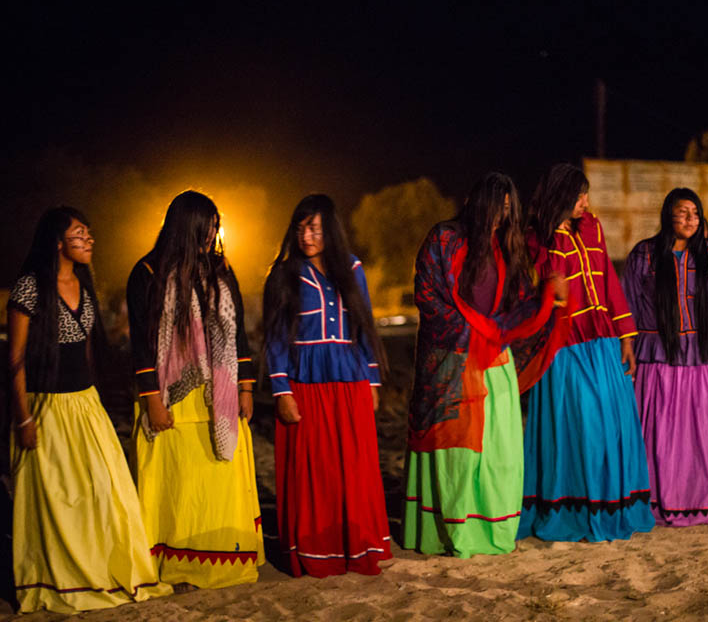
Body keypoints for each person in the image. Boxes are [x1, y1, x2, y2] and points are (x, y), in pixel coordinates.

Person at [8, 207, 170, 613]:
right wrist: (24, 417)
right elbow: (16, 358)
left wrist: (98, 397)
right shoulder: (30, 288)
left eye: (89, 233)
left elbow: (86, 352)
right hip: (46, 406)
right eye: (80, 234)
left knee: (109, 492)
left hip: (85, 403)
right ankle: (65, 581)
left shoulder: (84, 285)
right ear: (57, 242)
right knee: (61, 502)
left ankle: (106, 571)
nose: (89, 240)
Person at [403, 172, 568, 558]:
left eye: (508, 209)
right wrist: (475, 331)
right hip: (452, 361)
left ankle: (492, 527)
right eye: (497, 207)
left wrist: (548, 295)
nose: (501, 216)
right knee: (455, 452)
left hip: (494, 361)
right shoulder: (444, 238)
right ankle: (451, 531)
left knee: (499, 452)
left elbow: (519, 305)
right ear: (477, 202)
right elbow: (427, 293)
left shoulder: (507, 247)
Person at [127, 191, 263, 589]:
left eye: (216, 226)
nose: (212, 234)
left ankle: (223, 564)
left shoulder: (220, 269)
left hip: (218, 396)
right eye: (206, 227)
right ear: (186, 227)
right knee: (179, 485)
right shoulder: (147, 272)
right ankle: (178, 565)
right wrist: (152, 399)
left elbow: (237, 333)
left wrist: (245, 387)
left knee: (217, 483)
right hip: (171, 398)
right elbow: (141, 342)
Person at [518, 163, 654, 541]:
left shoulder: (592, 227)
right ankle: (577, 507)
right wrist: (554, 242)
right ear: (560, 197)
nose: (586, 203)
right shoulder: (536, 238)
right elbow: (548, 285)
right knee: (582, 424)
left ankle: (613, 505)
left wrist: (626, 337)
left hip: (604, 340)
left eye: (586, 194)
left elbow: (608, 279)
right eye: (579, 196)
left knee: (614, 424)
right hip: (565, 344)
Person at [264, 194, 392, 578]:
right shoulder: (283, 274)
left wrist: (372, 380)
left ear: (331, 230)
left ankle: (357, 546)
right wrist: (281, 390)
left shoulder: (352, 268)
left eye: (315, 228)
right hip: (306, 383)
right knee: (316, 471)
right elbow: (274, 337)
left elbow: (364, 325)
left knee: (354, 466)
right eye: (301, 228)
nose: (307, 236)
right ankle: (318, 550)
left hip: (351, 380)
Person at [622, 188, 708, 526]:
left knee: (698, 436)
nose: (690, 219)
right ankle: (654, 502)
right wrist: (625, 346)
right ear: (667, 215)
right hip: (656, 358)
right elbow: (629, 304)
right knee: (657, 435)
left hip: (699, 358)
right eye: (683, 212)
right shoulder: (644, 254)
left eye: (695, 213)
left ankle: (699, 502)